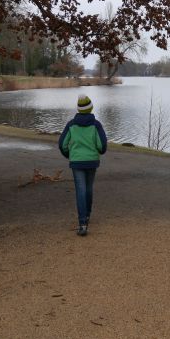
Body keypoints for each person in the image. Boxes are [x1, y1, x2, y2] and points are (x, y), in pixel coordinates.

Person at [58, 94, 107, 236]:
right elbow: (102, 145)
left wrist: (70, 155)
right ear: (91, 108)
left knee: (80, 190)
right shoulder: (96, 125)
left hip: (77, 162)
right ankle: (87, 216)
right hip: (92, 161)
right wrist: (96, 152)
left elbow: (62, 144)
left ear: (79, 109)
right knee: (89, 188)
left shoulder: (71, 125)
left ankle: (82, 223)